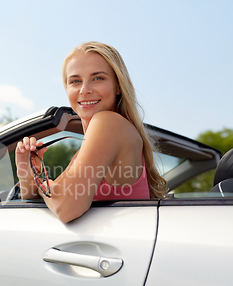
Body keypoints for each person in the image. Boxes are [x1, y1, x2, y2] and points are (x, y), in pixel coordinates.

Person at [15, 42, 167, 223]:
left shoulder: (108, 122)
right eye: (75, 81)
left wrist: (40, 180)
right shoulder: (91, 146)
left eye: (98, 78)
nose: (84, 90)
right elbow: (34, 200)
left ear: (118, 86)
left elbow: (65, 208)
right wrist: (26, 169)